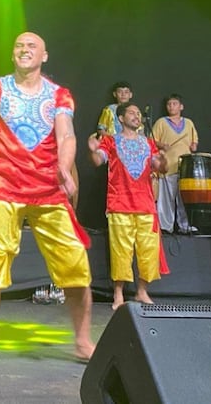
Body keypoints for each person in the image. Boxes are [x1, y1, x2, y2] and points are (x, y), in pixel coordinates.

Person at [0, 32, 95, 368]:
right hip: (4, 188)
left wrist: (64, 167)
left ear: (45, 56)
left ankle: (83, 341)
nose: (24, 50)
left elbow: (67, 134)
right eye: (18, 46)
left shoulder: (59, 95)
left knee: (75, 267)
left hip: (48, 190)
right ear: (13, 54)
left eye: (32, 47)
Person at [88, 102, 169, 310]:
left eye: (138, 113)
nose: (136, 115)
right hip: (120, 203)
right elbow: (98, 160)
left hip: (145, 204)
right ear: (121, 118)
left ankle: (142, 291)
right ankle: (118, 294)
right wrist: (93, 150)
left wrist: (163, 160)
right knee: (121, 251)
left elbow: (160, 168)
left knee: (148, 251)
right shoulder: (111, 141)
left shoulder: (149, 143)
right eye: (132, 113)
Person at [151, 94, 198, 233]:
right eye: (169, 104)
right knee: (166, 198)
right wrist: (161, 145)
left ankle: (185, 225)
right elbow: (152, 140)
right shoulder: (161, 122)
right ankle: (166, 226)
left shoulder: (189, 123)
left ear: (181, 106)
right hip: (167, 165)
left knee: (184, 197)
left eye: (174, 104)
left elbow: (194, 139)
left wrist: (194, 145)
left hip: (185, 167)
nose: (171, 106)